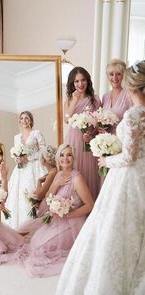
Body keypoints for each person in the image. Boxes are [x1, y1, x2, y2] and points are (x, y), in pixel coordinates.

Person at [55, 60, 145, 295]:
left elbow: (129, 158)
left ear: (132, 87)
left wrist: (106, 161)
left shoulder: (135, 114)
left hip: (128, 177)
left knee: (116, 225)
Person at [16, 144, 94, 277]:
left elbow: (89, 205)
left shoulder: (77, 179)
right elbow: (47, 197)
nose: (65, 158)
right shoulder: (58, 174)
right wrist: (56, 184)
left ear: (74, 158)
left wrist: (68, 214)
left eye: (69, 155)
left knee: (43, 249)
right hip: (57, 218)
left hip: (73, 221)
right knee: (34, 242)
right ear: (58, 158)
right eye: (62, 155)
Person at [4, 111, 46, 229]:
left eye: (26, 118)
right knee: (18, 195)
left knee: (31, 193)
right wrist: (17, 159)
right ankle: (18, 226)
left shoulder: (36, 133)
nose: (24, 120)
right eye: (21, 118)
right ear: (19, 121)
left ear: (31, 120)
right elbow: (17, 153)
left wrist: (28, 158)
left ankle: (33, 224)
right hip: (20, 170)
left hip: (34, 167)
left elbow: (44, 151)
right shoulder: (16, 137)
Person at [64, 67, 101, 201]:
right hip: (73, 139)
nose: (80, 84)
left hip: (88, 141)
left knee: (89, 172)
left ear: (87, 81)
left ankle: (90, 206)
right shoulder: (69, 98)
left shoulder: (95, 99)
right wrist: (74, 99)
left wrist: (91, 134)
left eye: (83, 80)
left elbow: (99, 123)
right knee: (74, 168)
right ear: (72, 84)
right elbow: (66, 118)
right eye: (76, 81)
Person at [17, 145, 58, 236]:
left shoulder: (52, 173)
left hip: (48, 208)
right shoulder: (53, 172)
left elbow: (39, 196)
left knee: (25, 231)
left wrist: (39, 181)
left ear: (43, 161)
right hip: (47, 205)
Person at [101, 59, 133, 134]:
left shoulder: (129, 94)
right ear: (108, 77)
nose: (115, 78)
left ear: (123, 76)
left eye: (118, 74)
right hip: (106, 141)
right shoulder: (105, 96)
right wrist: (100, 127)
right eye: (111, 74)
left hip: (122, 140)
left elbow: (134, 121)